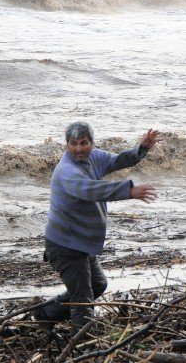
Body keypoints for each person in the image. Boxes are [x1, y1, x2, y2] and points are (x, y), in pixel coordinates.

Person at [36, 121, 160, 336]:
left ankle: (46, 312)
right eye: (73, 144)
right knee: (82, 302)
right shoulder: (67, 171)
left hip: (81, 243)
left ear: (91, 143)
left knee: (98, 284)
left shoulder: (94, 158)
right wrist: (128, 191)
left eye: (83, 143)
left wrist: (142, 149)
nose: (78, 149)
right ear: (67, 145)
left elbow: (117, 160)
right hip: (64, 245)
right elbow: (91, 190)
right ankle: (80, 344)